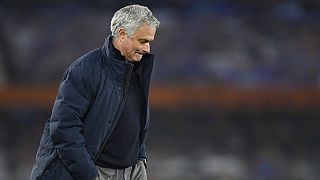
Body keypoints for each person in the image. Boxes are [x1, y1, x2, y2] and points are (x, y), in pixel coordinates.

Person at [30, 4, 160, 180]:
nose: (147, 49)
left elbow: (136, 123)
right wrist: (89, 175)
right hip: (96, 172)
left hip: (133, 172)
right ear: (122, 34)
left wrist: (141, 159)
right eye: (142, 41)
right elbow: (63, 128)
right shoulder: (85, 69)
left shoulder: (137, 70)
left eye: (149, 42)